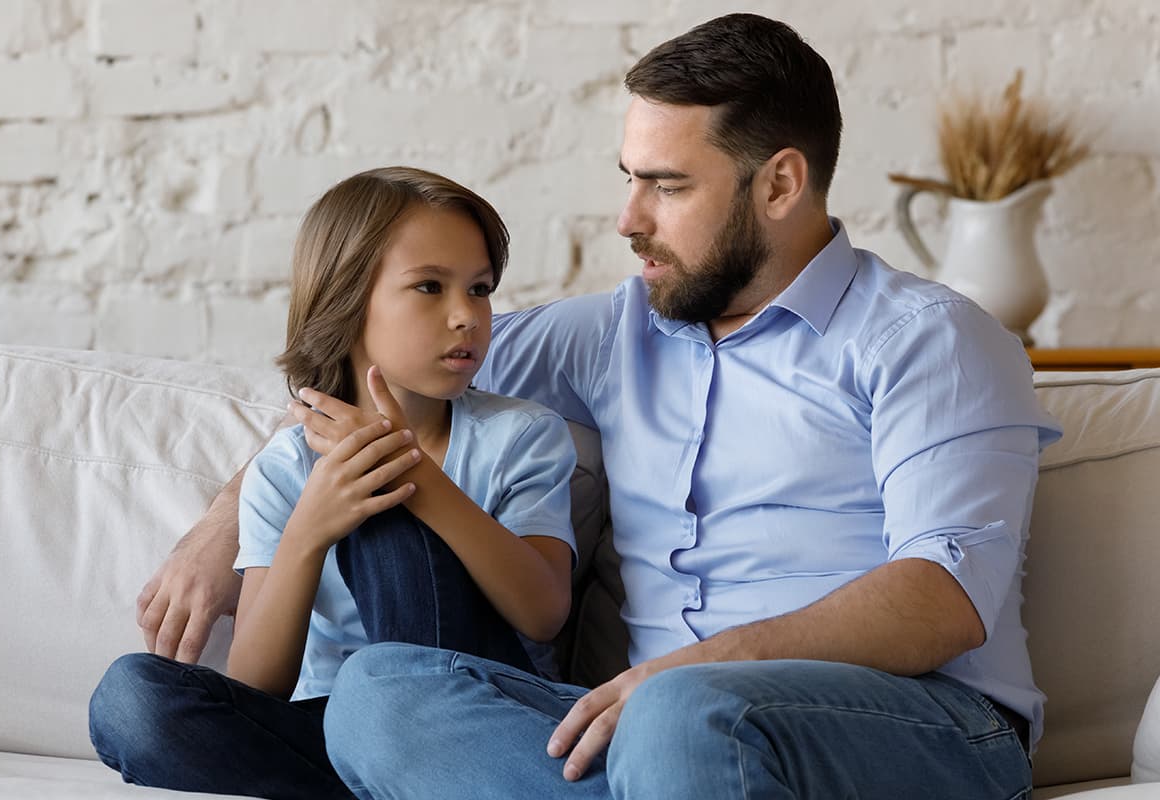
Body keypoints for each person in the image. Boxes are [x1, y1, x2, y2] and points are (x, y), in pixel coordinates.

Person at [137, 13, 1063, 799]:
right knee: (383, 696)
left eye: (667, 185)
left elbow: (944, 596)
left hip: (917, 722)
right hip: (647, 726)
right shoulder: (609, 333)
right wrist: (226, 522)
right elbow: (374, 373)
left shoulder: (929, 339)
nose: (629, 219)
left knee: (681, 715)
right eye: (630, 177)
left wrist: (689, 672)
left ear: (780, 183)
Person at [88, 167, 578, 799]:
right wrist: (309, 530)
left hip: (481, 716)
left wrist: (418, 479)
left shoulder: (521, 435)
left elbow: (543, 613)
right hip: (333, 726)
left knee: (382, 506)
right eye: (429, 287)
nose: (468, 316)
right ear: (347, 302)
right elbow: (256, 685)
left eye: (480, 289)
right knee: (130, 699)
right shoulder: (285, 470)